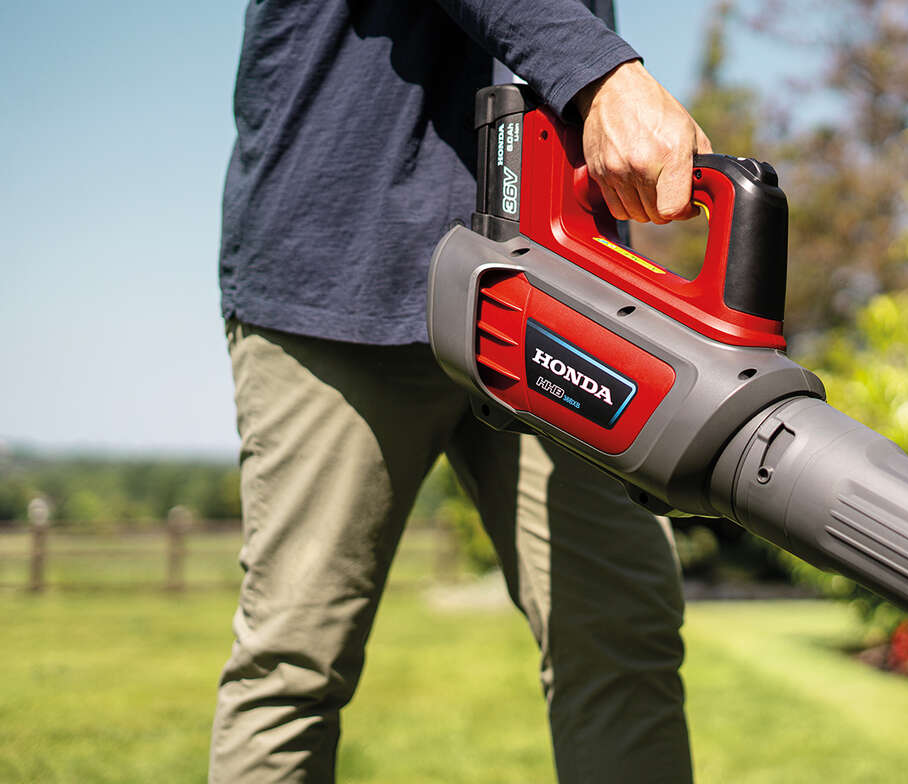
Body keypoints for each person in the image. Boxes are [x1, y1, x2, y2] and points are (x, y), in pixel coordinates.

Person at [210, 1, 712, 782]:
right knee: (293, 664)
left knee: (621, 638)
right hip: (344, 269)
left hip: (563, 289)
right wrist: (600, 73)